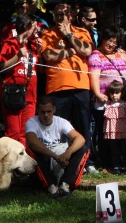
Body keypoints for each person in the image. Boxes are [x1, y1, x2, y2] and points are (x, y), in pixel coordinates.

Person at [41, 2, 95, 174]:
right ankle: (60, 162)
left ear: (71, 16)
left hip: (80, 87)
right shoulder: (48, 34)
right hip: (57, 88)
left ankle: (86, 162)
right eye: (57, 14)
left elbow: (86, 51)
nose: (60, 17)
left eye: (63, 14)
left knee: (82, 126)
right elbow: (49, 55)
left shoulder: (82, 32)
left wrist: (69, 35)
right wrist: (72, 52)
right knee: (58, 130)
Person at [88, 27, 126, 173]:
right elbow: (93, 76)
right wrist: (98, 94)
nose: (112, 45)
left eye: (114, 42)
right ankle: (107, 163)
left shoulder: (119, 55)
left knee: (123, 134)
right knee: (105, 134)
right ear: (103, 39)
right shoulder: (96, 55)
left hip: (122, 101)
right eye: (109, 41)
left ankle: (124, 163)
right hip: (105, 102)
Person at [26, 96, 89, 198]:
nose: (46, 115)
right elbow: (32, 141)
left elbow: (80, 139)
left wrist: (68, 153)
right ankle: (51, 186)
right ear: (37, 111)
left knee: (82, 148)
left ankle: (65, 184)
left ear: (54, 109)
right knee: (31, 150)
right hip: (45, 157)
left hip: (60, 156)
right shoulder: (32, 122)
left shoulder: (61, 121)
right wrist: (55, 156)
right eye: (42, 112)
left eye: (49, 111)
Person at [0, 13, 39, 146]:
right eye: (34, 27)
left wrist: (41, 50)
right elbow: (2, 67)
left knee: (26, 133)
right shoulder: (10, 43)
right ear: (27, 27)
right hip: (13, 92)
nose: (37, 30)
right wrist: (18, 56)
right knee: (13, 132)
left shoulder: (33, 46)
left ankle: (24, 163)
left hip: (30, 95)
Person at [103, 80, 126, 175]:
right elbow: (97, 106)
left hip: (124, 131)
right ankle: (116, 167)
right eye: (112, 93)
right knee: (114, 150)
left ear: (122, 93)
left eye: (117, 93)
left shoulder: (125, 105)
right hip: (112, 132)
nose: (114, 95)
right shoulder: (107, 105)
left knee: (125, 150)